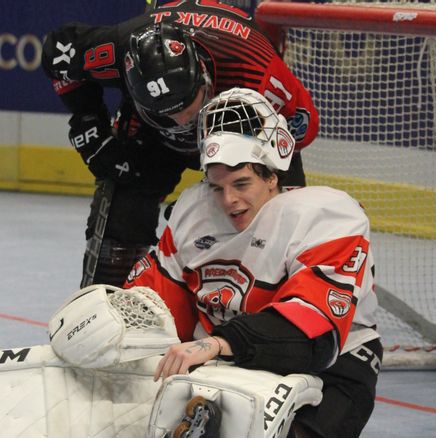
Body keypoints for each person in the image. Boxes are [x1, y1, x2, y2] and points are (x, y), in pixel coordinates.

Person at [124, 88, 381, 438]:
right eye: (217, 187)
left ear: (272, 175)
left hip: (334, 362)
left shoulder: (329, 218)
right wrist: (113, 320)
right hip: (225, 355)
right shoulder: (192, 213)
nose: (229, 200)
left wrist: (215, 345)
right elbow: (154, 302)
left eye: (241, 183)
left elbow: (309, 336)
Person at [40, 0, 319, 288]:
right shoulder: (118, 47)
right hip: (153, 139)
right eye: (167, 114)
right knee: (122, 218)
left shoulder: (258, 73)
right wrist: (90, 126)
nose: (182, 123)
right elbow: (54, 52)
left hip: (235, 127)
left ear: (203, 75)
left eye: (188, 107)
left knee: (279, 225)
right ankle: (112, 306)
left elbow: (301, 131)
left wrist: (259, 183)